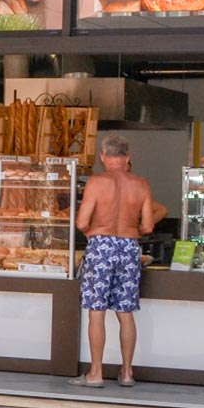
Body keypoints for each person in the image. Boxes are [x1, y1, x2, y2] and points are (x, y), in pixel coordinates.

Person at [71, 135, 165, 387]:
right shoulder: (141, 184)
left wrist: (94, 231)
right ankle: (126, 373)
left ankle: (96, 374)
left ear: (102, 156)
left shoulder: (96, 182)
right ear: (127, 157)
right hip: (128, 246)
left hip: (101, 245)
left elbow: (81, 222)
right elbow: (147, 225)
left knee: (96, 312)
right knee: (125, 312)